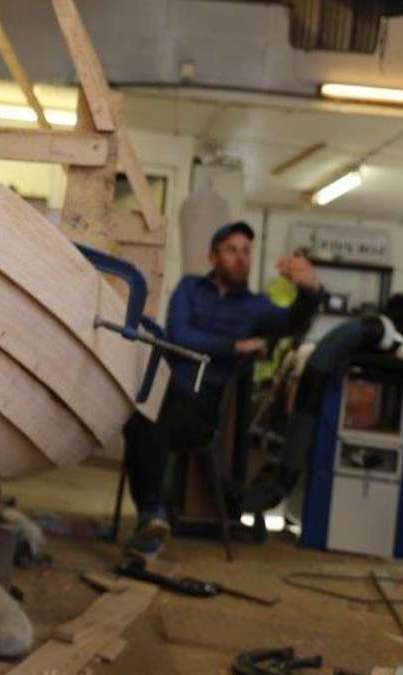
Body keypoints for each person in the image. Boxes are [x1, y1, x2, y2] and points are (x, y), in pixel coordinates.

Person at [123, 221, 322, 556]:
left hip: (202, 412)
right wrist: (235, 346)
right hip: (169, 394)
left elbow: (293, 324)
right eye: (232, 250)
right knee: (142, 416)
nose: (241, 258)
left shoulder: (256, 306)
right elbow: (179, 335)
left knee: (148, 416)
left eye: (246, 251)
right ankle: (153, 515)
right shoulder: (189, 289)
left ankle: (152, 516)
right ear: (213, 257)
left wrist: (310, 290)